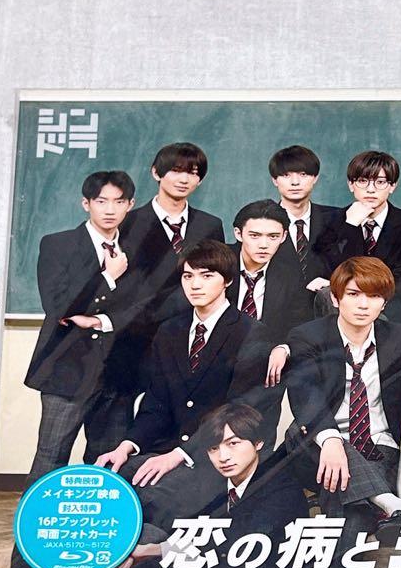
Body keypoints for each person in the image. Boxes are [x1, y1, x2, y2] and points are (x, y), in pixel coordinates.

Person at [6, 169, 138, 568]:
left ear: (130, 206)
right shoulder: (58, 243)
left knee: (107, 475)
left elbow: (142, 307)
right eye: (101, 201)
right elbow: (58, 304)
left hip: (117, 377)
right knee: (48, 466)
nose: (110, 209)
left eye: (118, 202)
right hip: (67, 375)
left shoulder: (136, 248)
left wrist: (97, 319)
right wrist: (108, 278)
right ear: (86, 203)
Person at [94, 240, 277, 527]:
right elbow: (156, 403)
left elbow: (237, 413)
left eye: (207, 276)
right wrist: (126, 446)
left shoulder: (251, 333)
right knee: (106, 487)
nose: (195, 285)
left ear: (228, 280)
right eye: (188, 276)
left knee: (148, 501)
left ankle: (152, 552)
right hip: (165, 448)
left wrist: (179, 455)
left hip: (215, 457)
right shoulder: (170, 330)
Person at [284, 257, 401, 561]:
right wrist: (331, 440)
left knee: (350, 511)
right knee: (303, 434)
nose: (363, 304)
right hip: (317, 449)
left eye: (373, 296)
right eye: (353, 294)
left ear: (384, 303)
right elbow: (305, 393)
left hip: (379, 449)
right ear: (336, 298)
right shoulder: (308, 336)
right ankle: (392, 505)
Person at [108, 403, 307, 568]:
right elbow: (190, 532)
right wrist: (140, 554)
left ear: (258, 443)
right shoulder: (212, 483)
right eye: (214, 448)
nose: (223, 457)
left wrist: (155, 550)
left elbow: (236, 544)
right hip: (212, 567)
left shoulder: (282, 488)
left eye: (233, 444)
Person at [109, 142, 225, 396]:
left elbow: (215, 280)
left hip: (190, 342)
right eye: (175, 170)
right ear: (156, 172)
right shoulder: (126, 223)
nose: (184, 179)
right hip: (135, 343)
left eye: (193, 173)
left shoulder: (210, 225)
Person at [312, 149, 401, 323]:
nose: (371, 189)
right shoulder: (331, 221)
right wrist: (351, 226)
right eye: (363, 181)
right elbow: (328, 269)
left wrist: (360, 291)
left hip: (392, 310)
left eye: (380, 182)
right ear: (351, 185)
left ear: (392, 186)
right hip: (343, 311)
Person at [229, 199, 313, 348]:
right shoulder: (217, 263)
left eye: (273, 236)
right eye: (255, 236)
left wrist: (283, 348)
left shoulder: (290, 275)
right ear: (238, 234)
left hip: (265, 352)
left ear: (284, 236)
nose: (264, 245)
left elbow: (299, 327)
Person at [267, 144, 338, 291]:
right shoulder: (261, 221)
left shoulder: (335, 219)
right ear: (274, 180)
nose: (295, 182)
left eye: (303, 174)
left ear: (315, 178)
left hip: (325, 301)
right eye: (286, 175)